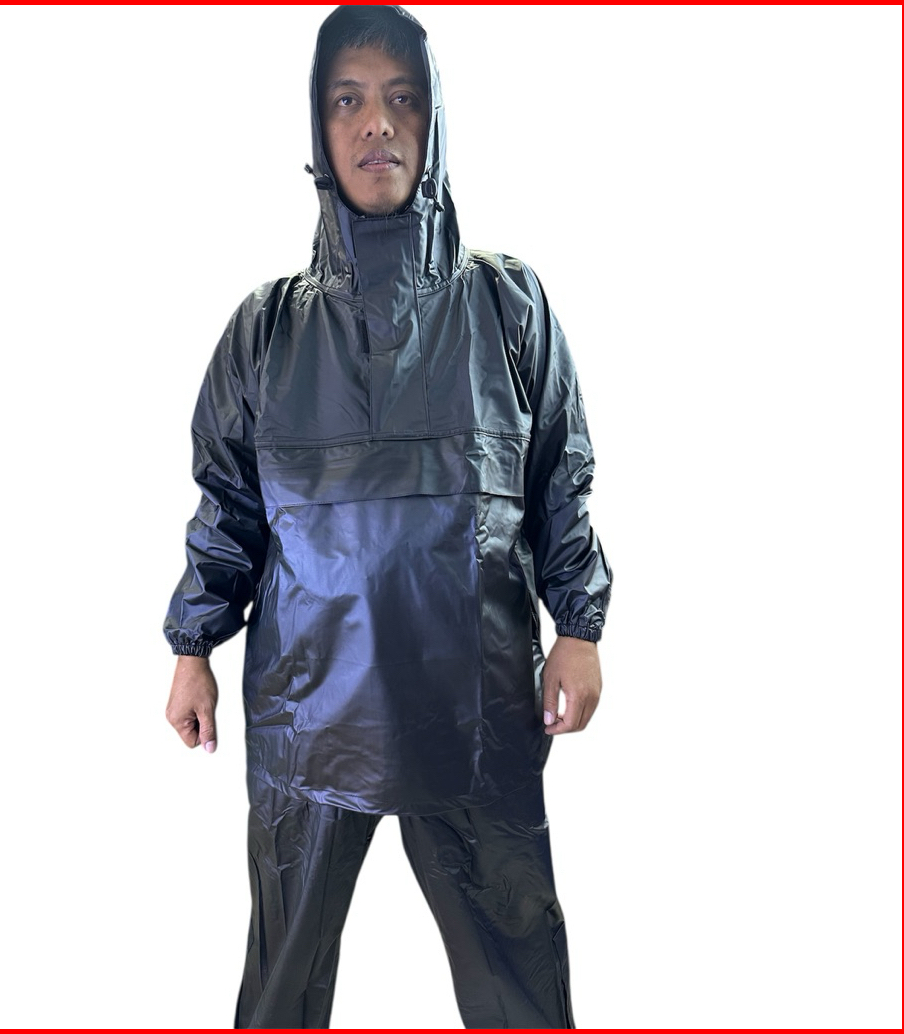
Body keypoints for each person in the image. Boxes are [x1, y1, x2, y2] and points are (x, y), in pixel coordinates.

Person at [163, 5, 612, 1028]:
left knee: (517, 974)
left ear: (433, 121)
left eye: (402, 99)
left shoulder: (507, 306)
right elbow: (227, 504)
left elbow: (558, 475)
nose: (377, 123)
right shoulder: (266, 329)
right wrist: (192, 645)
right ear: (317, 129)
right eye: (348, 101)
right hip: (309, 711)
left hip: (477, 703)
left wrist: (579, 626)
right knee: (283, 982)